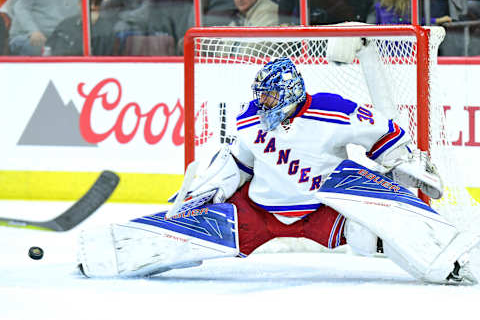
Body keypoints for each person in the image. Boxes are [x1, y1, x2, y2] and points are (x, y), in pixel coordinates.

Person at [77, 51, 480, 285]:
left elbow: (383, 130)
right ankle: (106, 254)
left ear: (289, 91)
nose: (263, 102)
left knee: (367, 235)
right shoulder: (250, 119)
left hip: (324, 208)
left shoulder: (331, 110)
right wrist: (208, 190)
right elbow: (238, 162)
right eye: (260, 95)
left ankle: (450, 261)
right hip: (259, 212)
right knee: (191, 232)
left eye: (270, 95)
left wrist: (403, 163)